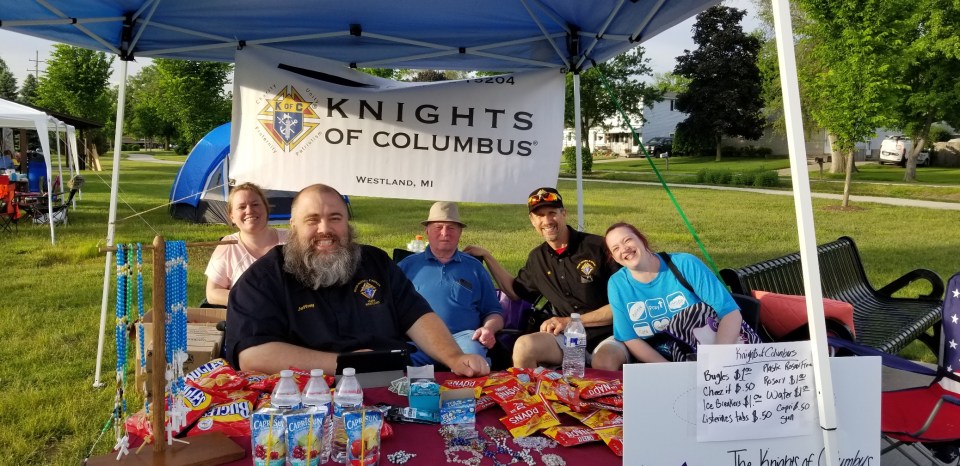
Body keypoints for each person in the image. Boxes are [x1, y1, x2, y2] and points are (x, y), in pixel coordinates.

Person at [224, 183, 490, 377]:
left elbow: (417, 316)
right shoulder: (262, 279)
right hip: (302, 397)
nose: (325, 229)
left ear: (347, 223)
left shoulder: (375, 262)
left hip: (388, 387)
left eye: (335, 218)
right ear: (293, 225)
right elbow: (252, 355)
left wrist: (454, 357)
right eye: (312, 220)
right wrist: (346, 363)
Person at [465, 187, 623, 370]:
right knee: (524, 347)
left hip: (610, 334)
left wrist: (568, 321)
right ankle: (528, 389)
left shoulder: (597, 247)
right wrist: (488, 257)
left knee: (604, 361)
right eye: (539, 215)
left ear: (564, 214)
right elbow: (516, 292)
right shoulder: (537, 258)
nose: (547, 221)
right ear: (532, 221)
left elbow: (623, 304)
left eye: (552, 213)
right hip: (567, 338)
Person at [603, 222, 744, 366]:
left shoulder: (685, 264)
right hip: (662, 361)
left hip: (713, 350)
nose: (624, 249)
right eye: (616, 248)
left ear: (641, 239)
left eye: (627, 240)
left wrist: (716, 360)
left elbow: (730, 313)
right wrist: (669, 369)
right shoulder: (617, 284)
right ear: (614, 257)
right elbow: (630, 337)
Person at [398, 201, 504, 366]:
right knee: (392, 364)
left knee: (474, 363)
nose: (445, 233)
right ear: (427, 231)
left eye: (451, 228)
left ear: (460, 232)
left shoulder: (475, 268)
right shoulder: (407, 266)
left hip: (462, 342)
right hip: (417, 341)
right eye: (438, 227)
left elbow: (494, 312)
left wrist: (488, 329)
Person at [204, 182, 288, 306]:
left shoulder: (291, 240)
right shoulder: (228, 246)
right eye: (242, 207)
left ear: (266, 208)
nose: (249, 211)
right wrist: (252, 300)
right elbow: (213, 293)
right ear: (232, 217)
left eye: (255, 204)